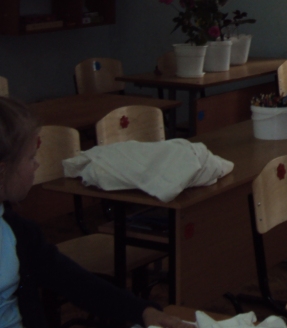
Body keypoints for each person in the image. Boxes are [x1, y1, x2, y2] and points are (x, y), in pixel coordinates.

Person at [0, 97, 186, 328]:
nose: (36, 165)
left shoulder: (18, 231)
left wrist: (143, 311)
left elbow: (73, 281)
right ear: (2, 171)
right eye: (30, 158)